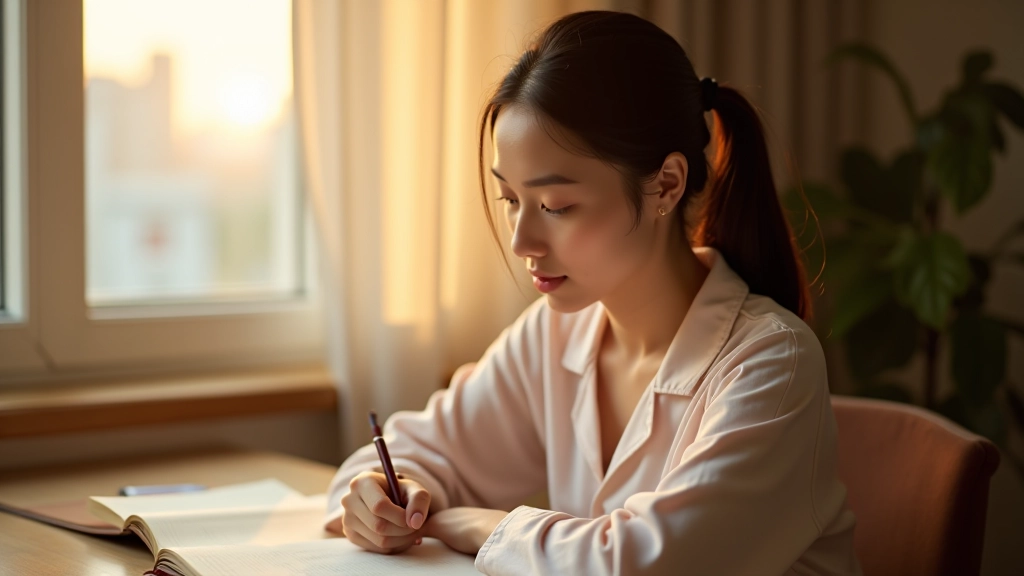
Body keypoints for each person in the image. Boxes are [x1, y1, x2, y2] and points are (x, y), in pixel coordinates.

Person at [323, 10, 861, 576]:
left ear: (666, 185)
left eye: (556, 207)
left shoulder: (772, 362)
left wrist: (479, 525)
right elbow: (414, 452)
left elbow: (649, 563)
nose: (521, 240)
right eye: (511, 200)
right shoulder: (554, 334)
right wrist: (386, 494)